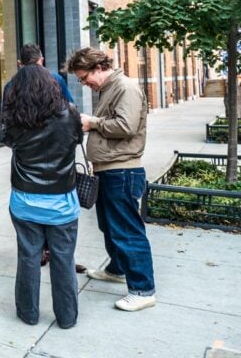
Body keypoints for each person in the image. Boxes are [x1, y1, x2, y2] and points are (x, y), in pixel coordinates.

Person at [66, 47, 155, 312]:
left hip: (122, 171)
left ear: (97, 68)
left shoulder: (124, 87)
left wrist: (93, 122)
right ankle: (118, 269)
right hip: (110, 169)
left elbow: (126, 126)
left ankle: (143, 289)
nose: (85, 84)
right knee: (109, 225)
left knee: (127, 230)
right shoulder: (110, 88)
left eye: (84, 78)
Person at [1, 64, 84, 329]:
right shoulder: (70, 114)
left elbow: (8, 142)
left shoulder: (15, 120)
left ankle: (28, 313)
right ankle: (67, 317)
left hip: (25, 201)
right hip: (62, 203)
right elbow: (76, 139)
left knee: (28, 258)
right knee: (64, 261)